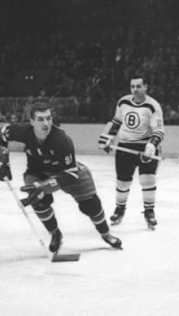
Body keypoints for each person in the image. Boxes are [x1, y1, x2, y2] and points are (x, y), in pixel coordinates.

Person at [0, 103, 122, 253]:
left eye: (48, 118)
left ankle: (106, 234)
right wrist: (4, 162)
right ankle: (55, 234)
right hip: (37, 172)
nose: (45, 123)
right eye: (40, 119)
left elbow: (71, 174)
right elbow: (2, 133)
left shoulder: (61, 140)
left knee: (91, 205)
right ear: (31, 122)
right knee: (38, 201)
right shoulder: (23, 132)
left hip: (66, 172)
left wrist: (45, 186)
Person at [98, 75, 164, 230]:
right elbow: (116, 122)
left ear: (146, 87)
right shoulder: (123, 102)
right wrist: (107, 137)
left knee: (148, 180)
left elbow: (159, 131)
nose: (135, 90)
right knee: (123, 182)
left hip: (144, 146)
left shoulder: (153, 106)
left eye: (138, 86)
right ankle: (120, 209)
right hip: (125, 146)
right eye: (132, 86)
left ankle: (149, 211)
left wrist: (152, 145)